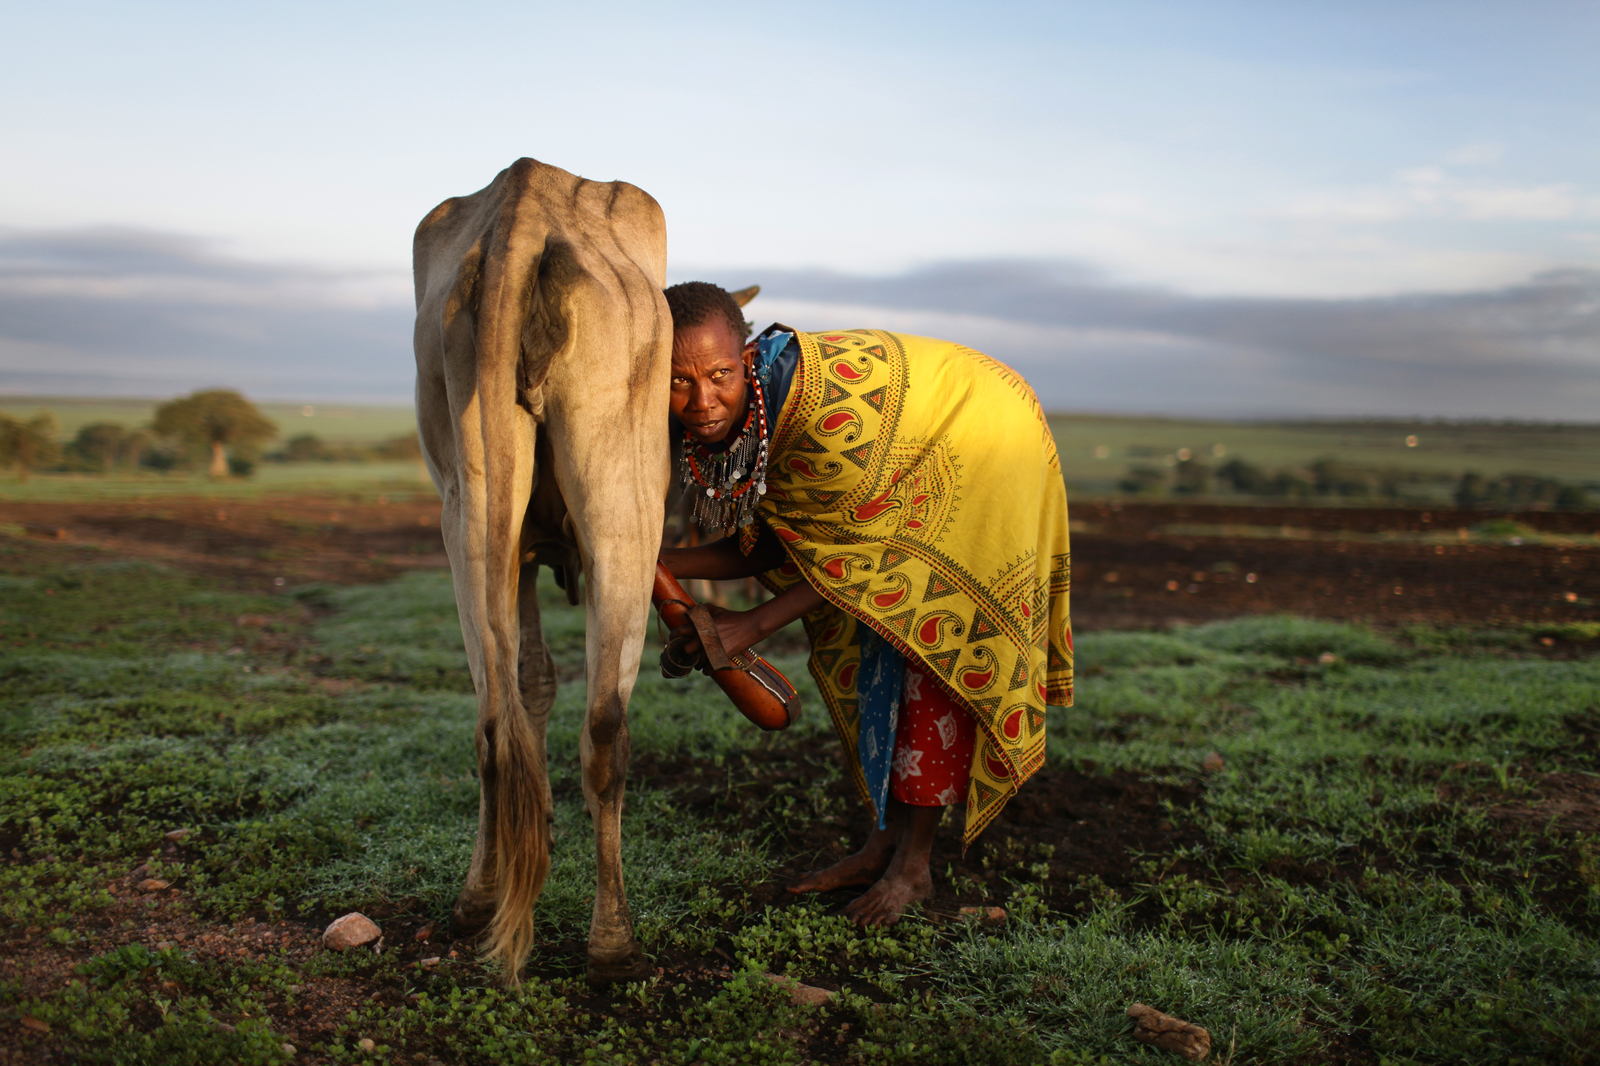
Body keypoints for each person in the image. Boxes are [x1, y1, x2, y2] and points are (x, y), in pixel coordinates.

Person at [658, 281, 1072, 926]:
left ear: (745, 358)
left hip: (985, 441)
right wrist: (639, 560)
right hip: (900, 471)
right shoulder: (748, 413)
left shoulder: (825, 426)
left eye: (717, 375)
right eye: (677, 382)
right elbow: (774, 545)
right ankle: (882, 842)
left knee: (931, 639)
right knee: (870, 651)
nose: (701, 401)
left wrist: (753, 624)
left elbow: (863, 558)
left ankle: (913, 868)